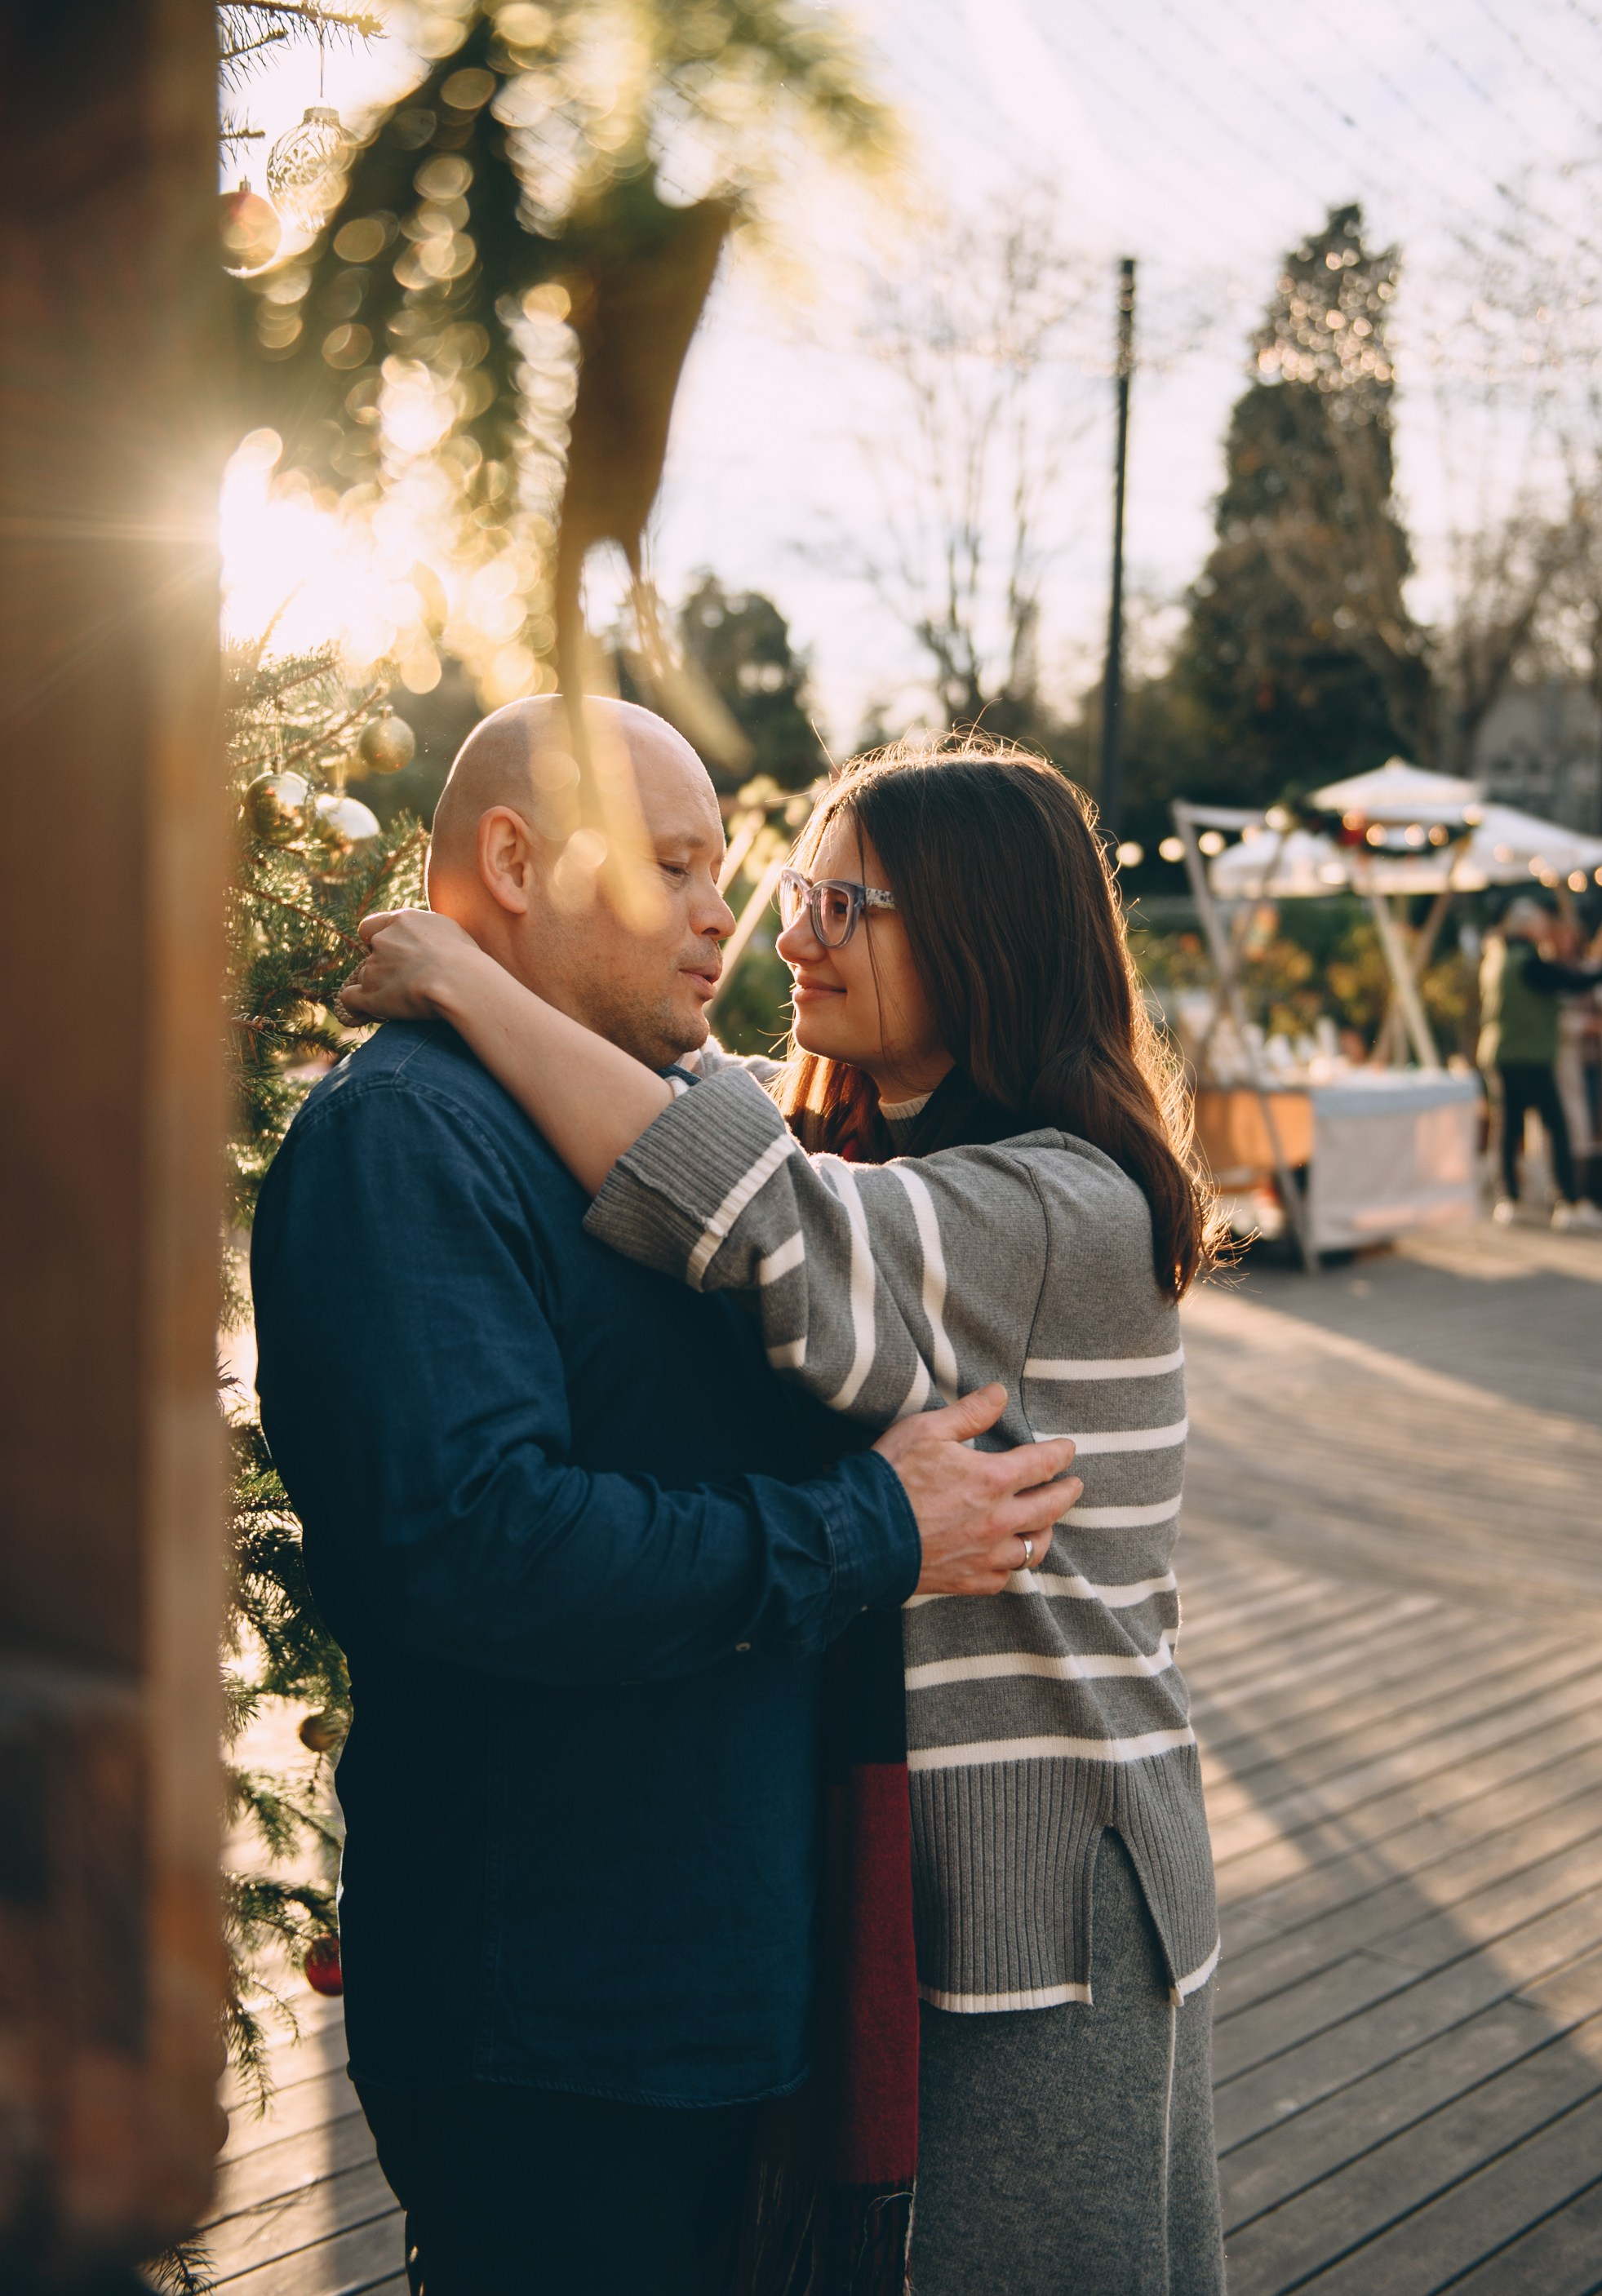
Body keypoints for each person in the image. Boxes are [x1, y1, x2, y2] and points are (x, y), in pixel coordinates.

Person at [345, 729, 1229, 2296]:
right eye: (787, 888)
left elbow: (744, 1198)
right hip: (885, 1864)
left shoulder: (1052, 1203)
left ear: (984, 934)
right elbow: (714, 1111)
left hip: (1039, 1880)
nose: (783, 932)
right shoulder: (867, 1149)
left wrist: (473, 983)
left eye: (843, 901)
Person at [1477, 896, 1602, 1231]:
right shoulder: (1525, 961)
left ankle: (1511, 1199)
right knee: (1555, 1127)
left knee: (1509, 1128)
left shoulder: (1497, 956)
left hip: (1504, 1053)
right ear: (1528, 927)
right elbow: (1568, 981)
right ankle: (1567, 1200)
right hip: (1527, 1056)